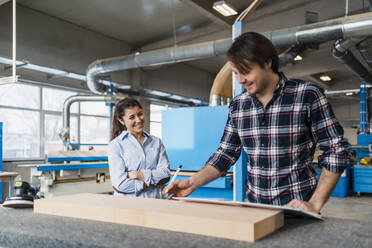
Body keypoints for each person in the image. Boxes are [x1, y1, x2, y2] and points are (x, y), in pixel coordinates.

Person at [164, 32, 349, 213]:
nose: (240, 80)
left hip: (297, 209)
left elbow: (336, 151)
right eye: (235, 73)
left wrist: (315, 204)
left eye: (245, 71)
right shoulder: (238, 105)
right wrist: (191, 181)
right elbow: (226, 153)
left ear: (268, 62)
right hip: (255, 208)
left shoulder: (307, 95)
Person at [108, 97, 171, 198]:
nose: (138, 120)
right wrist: (152, 182)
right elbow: (120, 185)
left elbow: (166, 174)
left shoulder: (156, 142)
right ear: (121, 120)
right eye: (132, 117)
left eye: (140, 114)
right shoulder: (116, 145)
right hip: (127, 207)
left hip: (153, 204)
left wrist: (139, 175)